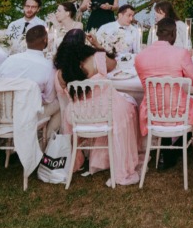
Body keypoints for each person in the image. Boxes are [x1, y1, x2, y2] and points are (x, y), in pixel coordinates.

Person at [53, 28, 141, 185]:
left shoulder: (60, 71)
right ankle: (115, 158)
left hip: (78, 115)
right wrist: (98, 45)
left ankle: (84, 158)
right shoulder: (96, 57)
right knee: (130, 108)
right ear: (83, 43)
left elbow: (62, 94)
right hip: (104, 113)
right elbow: (113, 64)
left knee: (123, 108)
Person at [134, 17, 193, 141]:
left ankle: (166, 150)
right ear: (174, 33)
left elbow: (145, 81)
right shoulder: (181, 53)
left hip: (152, 113)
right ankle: (177, 149)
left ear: (157, 34)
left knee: (163, 104)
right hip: (179, 112)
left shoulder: (140, 56)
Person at [0, 24, 60, 141]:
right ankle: (45, 144)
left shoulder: (9, 60)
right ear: (45, 40)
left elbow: (0, 85)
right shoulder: (48, 67)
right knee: (61, 103)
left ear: (26, 41)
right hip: (30, 115)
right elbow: (49, 99)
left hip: (5, 113)